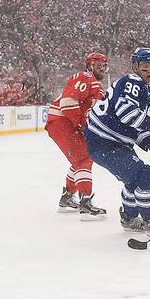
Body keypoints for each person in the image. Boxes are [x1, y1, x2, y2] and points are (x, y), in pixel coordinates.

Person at [85, 47, 150, 238]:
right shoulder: (132, 83)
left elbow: (132, 127)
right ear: (135, 66)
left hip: (110, 141)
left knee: (134, 178)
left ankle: (129, 218)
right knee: (146, 176)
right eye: (145, 67)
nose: (149, 71)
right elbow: (126, 113)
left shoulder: (143, 90)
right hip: (104, 141)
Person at [46, 52, 108, 218]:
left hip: (67, 122)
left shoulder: (97, 87)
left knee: (82, 159)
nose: (102, 69)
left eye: (104, 66)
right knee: (83, 159)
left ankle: (67, 197)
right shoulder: (84, 77)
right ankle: (85, 203)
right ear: (89, 66)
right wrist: (82, 125)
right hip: (62, 120)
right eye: (98, 65)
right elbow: (67, 104)